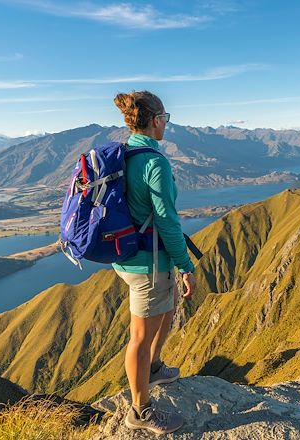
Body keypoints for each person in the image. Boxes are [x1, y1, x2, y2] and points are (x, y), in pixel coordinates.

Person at [112, 90, 196, 435]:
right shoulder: (154, 162)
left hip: (130, 256)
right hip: (149, 263)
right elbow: (167, 221)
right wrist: (186, 265)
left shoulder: (125, 153)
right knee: (139, 339)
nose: (166, 125)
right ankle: (140, 411)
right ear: (157, 120)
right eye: (166, 119)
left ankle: (156, 368)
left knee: (170, 304)